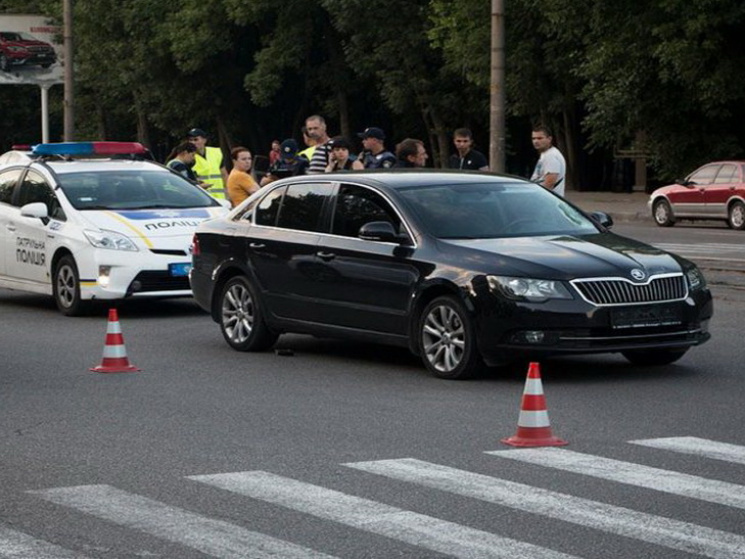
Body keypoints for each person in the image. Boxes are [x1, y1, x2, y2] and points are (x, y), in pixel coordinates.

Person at [187, 128, 229, 200]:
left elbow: (224, 174)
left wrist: (229, 192)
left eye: (196, 139)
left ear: (204, 140)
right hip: (202, 198)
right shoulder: (188, 157)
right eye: (190, 140)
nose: (193, 142)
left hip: (220, 198)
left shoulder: (216, 152)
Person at [530, 124, 566, 196]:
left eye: (540, 138)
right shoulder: (546, 154)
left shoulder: (551, 156)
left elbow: (549, 182)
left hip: (547, 201)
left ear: (549, 139)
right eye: (533, 138)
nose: (536, 141)